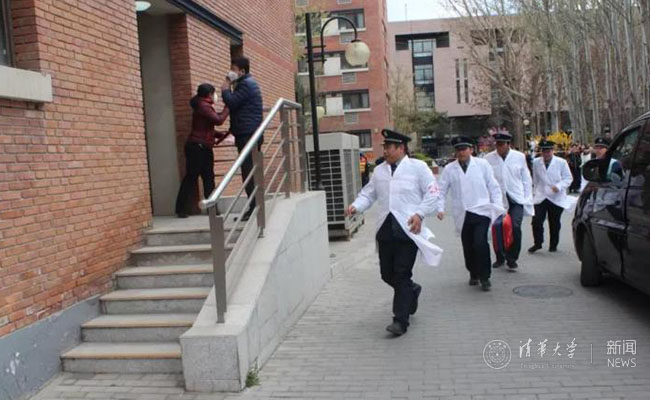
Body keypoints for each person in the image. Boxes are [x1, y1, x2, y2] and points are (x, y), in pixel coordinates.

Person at [347, 129, 443, 336]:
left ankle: (400, 321)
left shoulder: (418, 168)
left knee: (401, 273)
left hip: (408, 230)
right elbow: (368, 194)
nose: (385, 151)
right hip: (386, 230)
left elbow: (433, 193)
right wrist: (356, 206)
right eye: (384, 147)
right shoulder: (379, 171)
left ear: (401, 148)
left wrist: (420, 214)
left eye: (389, 147)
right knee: (387, 274)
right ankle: (412, 290)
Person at [437, 136, 504, 291]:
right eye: (458, 150)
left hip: (481, 211)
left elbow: (493, 186)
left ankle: (485, 277)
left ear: (471, 150)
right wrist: (440, 208)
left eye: (464, 149)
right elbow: (441, 190)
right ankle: (473, 272)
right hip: (463, 213)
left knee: (480, 243)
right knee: (468, 246)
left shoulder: (482, 165)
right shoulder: (449, 169)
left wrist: (498, 207)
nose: (461, 152)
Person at [175, 83, 229, 218]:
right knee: (193, 177)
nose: (215, 96)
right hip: (198, 147)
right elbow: (218, 120)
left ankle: (211, 209)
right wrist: (228, 107)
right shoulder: (203, 106)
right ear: (209, 94)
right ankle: (182, 209)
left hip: (202, 146)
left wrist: (220, 135)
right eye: (214, 93)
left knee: (207, 178)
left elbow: (205, 127)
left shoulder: (202, 105)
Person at [221, 56, 263, 221]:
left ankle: (254, 208)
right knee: (249, 171)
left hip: (248, 134)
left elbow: (231, 102)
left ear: (242, 71)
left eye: (233, 69)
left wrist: (226, 86)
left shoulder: (245, 84)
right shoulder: (247, 83)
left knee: (248, 171)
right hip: (248, 133)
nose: (230, 72)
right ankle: (254, 206)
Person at [485, 131, 533, 270]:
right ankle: (500, 256)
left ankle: (512, 258)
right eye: (497, 144)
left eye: (502, 144)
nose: (499, 147)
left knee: (515, 227)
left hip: (516, 198)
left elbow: (526, 178)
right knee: (498, 228)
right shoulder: (488, 158)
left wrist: (527, 197)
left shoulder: (519, 157)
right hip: (498, 199)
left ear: (508, 144)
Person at [528, 140, 574, 253]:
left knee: (554, 222)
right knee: (536, 220)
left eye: (548, 151)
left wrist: (559, 186)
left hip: (556, 197)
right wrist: (534, 192)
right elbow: (535, 179)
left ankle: (553, 244)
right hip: (541, 195)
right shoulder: (536, 162)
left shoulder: (561, 162)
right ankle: (538, 243)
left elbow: (568, 178)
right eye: (544, 151)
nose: (546, 154)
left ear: (552, 151)